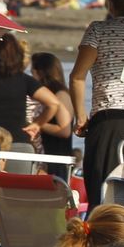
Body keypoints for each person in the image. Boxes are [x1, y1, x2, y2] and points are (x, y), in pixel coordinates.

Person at [70, 0, 124, 209]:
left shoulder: (99, 30)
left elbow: (78, 77)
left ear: (110, 1)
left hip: (109, 123)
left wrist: (81, 117)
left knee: (104, 198)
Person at [0, 33, 66, 151]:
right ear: (17, 55)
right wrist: (37, 124)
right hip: (20, 145)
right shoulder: (24, 80)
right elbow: (53, 103)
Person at [29, 52, 77, 181]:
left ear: (40, 72)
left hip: (57, 157)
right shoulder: (53, 94)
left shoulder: (60, 95)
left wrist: (37, 124)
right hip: (48, 157)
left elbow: (64, 130)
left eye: (32, 72)